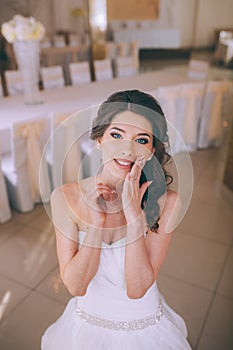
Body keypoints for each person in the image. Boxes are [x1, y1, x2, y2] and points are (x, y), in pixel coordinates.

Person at [41, 90, 191, 349]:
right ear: (99, 139)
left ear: (152, 149)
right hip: (84, 326)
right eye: (116, 134)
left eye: (141, 140)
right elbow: (76, 286)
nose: (127, 149)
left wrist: (135, 219)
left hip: (143, 326)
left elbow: (137, 288)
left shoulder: (167, 202)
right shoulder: (65, 198)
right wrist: (97, 224)